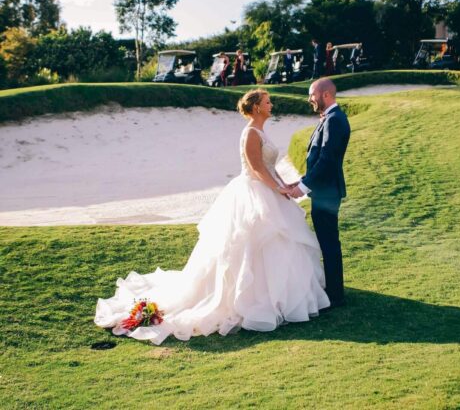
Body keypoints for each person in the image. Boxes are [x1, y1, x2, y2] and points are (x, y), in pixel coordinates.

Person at [95, 90, 330, 345]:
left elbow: (271, 168)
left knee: (279, 243)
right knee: (250, 245)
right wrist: (277, 188)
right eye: (267, 102)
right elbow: (256, 168)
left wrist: (284, 186)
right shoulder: (250, 132)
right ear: (256, 108)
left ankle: (284, 297)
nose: (271, 105)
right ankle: (249, 301)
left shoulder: (261, 132)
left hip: (270, 191)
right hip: (253, 194)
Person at [289, 78, 351, 308]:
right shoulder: (330, 119)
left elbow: (327, 159)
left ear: (325, 94)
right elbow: (318, 159)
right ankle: (334, 290)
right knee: (327, 241)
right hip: (324, 190)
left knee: (329, 243)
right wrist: (302, 180)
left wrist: (304, 187)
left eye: (312, 94)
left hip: (326, 193)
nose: (310, 99)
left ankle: (335, 294)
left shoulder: (335, 120)